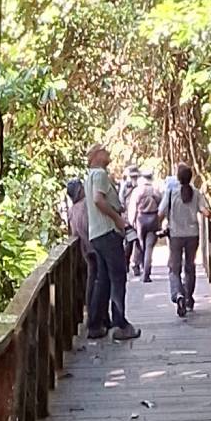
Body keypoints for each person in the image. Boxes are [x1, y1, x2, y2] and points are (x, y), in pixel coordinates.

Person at [83, 145, 140, 341]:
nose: (109, 153)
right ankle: (120, 324)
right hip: (108, 232)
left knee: (103, 280)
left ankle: (96, 324)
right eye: (105, 151)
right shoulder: (99, 174)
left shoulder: (89, 176)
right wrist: (117, 218)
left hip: (96, 234)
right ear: (96, 156)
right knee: (118, 278)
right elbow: (98, 200)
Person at [159, 164, 211, 317]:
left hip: (176, 235)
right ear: (191, 177)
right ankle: (188, 297)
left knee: (174, 268)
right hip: (192, 235)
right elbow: (205, 211)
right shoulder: (196, 193)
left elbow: (161, 212)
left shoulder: (171, 193)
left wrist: (155, 227)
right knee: (190, 266)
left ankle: (178, 295)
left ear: (177, 178)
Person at [127, 169, 163, 280]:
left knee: (141, 245)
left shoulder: (137, 191)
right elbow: (161, 207)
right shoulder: (155, 191)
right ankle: (146, 273)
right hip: (153, 219)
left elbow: (132, 208)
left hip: (141, 220)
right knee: (149, 248)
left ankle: (139, 266)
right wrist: (160, 221)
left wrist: (131, 221)